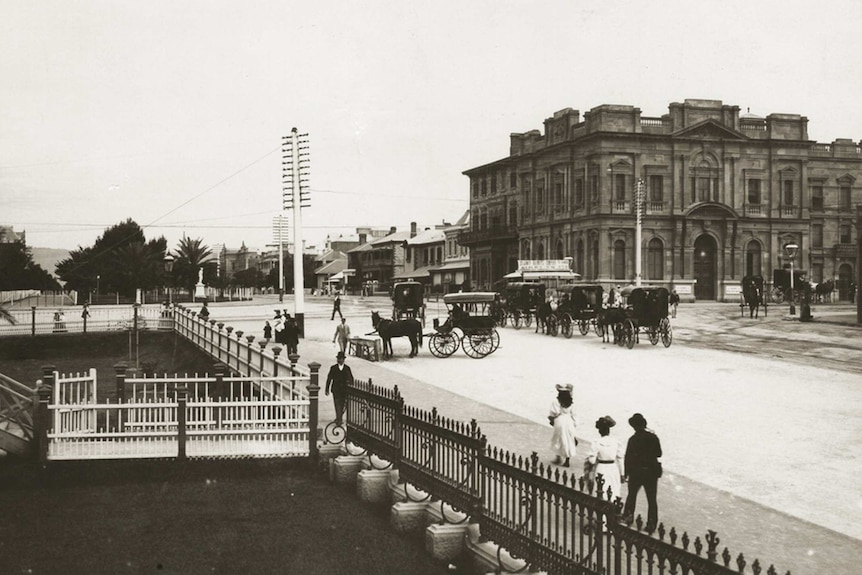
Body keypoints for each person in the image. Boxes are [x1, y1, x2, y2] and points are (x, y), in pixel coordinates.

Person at [622, 413, 663, 534]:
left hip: (636, 472)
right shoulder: (653, 437)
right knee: (651, 499)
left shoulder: (633, 439)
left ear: (634, 426)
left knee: (632, 495)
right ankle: (651, 524)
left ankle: (628, 517)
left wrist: (626, 473)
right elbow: (659, 453)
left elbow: (628, 458)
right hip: (651, 472)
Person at [585, 416, 624, 501]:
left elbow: (592, 461)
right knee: (614, 489)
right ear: (609, 430)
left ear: (599, 431)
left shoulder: (596, 442)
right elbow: (620, 459)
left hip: (601, 468)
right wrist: (622, 474)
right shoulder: (616, 442)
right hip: (613, 469)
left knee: (601, 489)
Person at [548, 383, 578, 467]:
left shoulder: (556, 401)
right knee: (569, 440)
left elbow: (554, 412)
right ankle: (567, 460)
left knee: (558, 439)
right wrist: (574, 424)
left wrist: (552, 418)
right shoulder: (572, 402)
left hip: (560, 421)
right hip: (569, 421)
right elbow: (574, 415)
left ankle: (558, 457)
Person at [325, 351, 354, 426]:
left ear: (344, 360)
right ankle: (339, 419)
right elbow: (329, 378)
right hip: (336, 389)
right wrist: (327, 389)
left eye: (341, 359)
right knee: (337, 404)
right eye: (339, 359)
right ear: (337, 359)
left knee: (343, 404)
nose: (340, 360)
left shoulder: (347, 368)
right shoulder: (333, 368)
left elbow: (351, 379)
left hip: (344, 390)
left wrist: (351, 389)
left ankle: (339, 417)